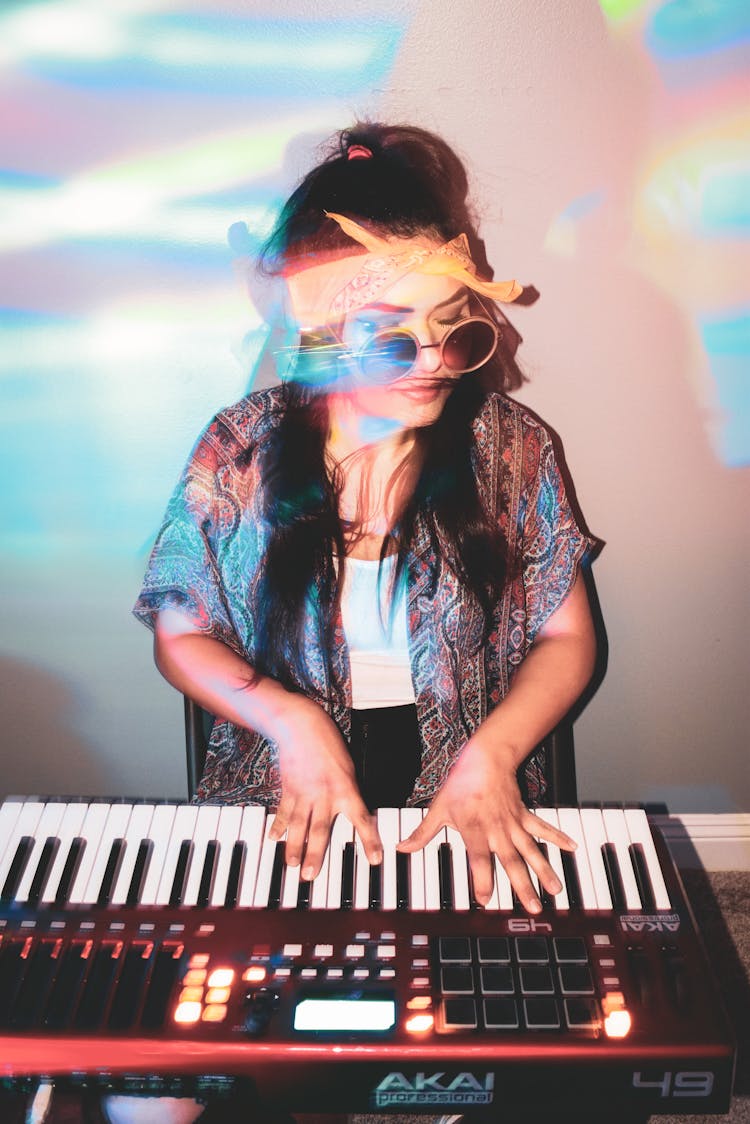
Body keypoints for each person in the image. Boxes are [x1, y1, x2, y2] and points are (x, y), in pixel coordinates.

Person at [122, 122, 597, 1124]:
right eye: (392, 333)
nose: (434, 363)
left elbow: (566, 637)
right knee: (157, 1094)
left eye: (455, 328)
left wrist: (495, 756)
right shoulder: (241, 447)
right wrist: (291, 721)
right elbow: (180, 628)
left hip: (471, 770)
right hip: (277, 773)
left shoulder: (515, 448)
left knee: (483, 1071)